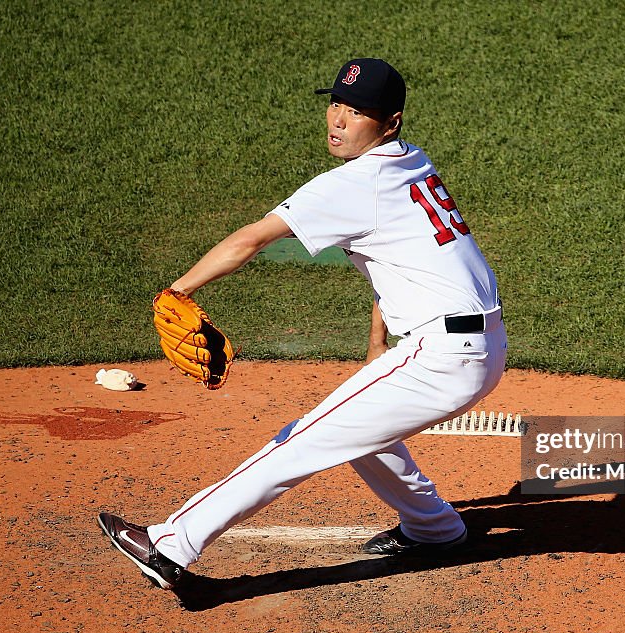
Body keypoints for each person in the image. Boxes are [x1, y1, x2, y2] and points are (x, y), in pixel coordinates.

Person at [98, 58, 507, 590]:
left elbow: (253, 239)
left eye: (357, 111)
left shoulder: (354, 184)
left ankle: (169, 543)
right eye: (335, 103)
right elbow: (393, 259)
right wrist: (376, 344)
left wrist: (177, 290)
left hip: (445, 355)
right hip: (474, 343)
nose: (338, 119)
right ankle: (435, 528)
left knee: (300, 441)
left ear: (390, 122)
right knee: (362, 429)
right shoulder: (410, 161)